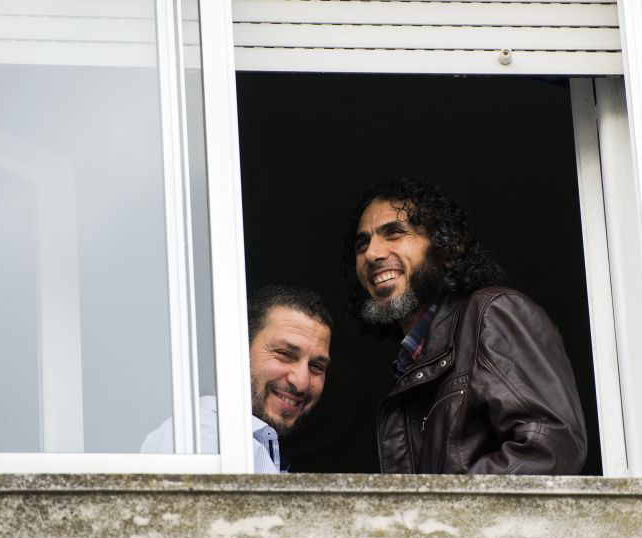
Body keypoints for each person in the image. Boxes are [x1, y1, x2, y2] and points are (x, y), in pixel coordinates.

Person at [344, 173, 587, 474]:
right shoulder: (412, 363)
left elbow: (550, 447)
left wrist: (442, 517)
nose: (372, 253)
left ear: (449, 249)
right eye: (361, 244)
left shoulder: (492, 313)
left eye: (394, 232)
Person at [141, 285, 332, 473]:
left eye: (317, 367)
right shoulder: (205, 438)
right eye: (284, 354)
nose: (301, 382)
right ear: (239, 350)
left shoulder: (242, 443)